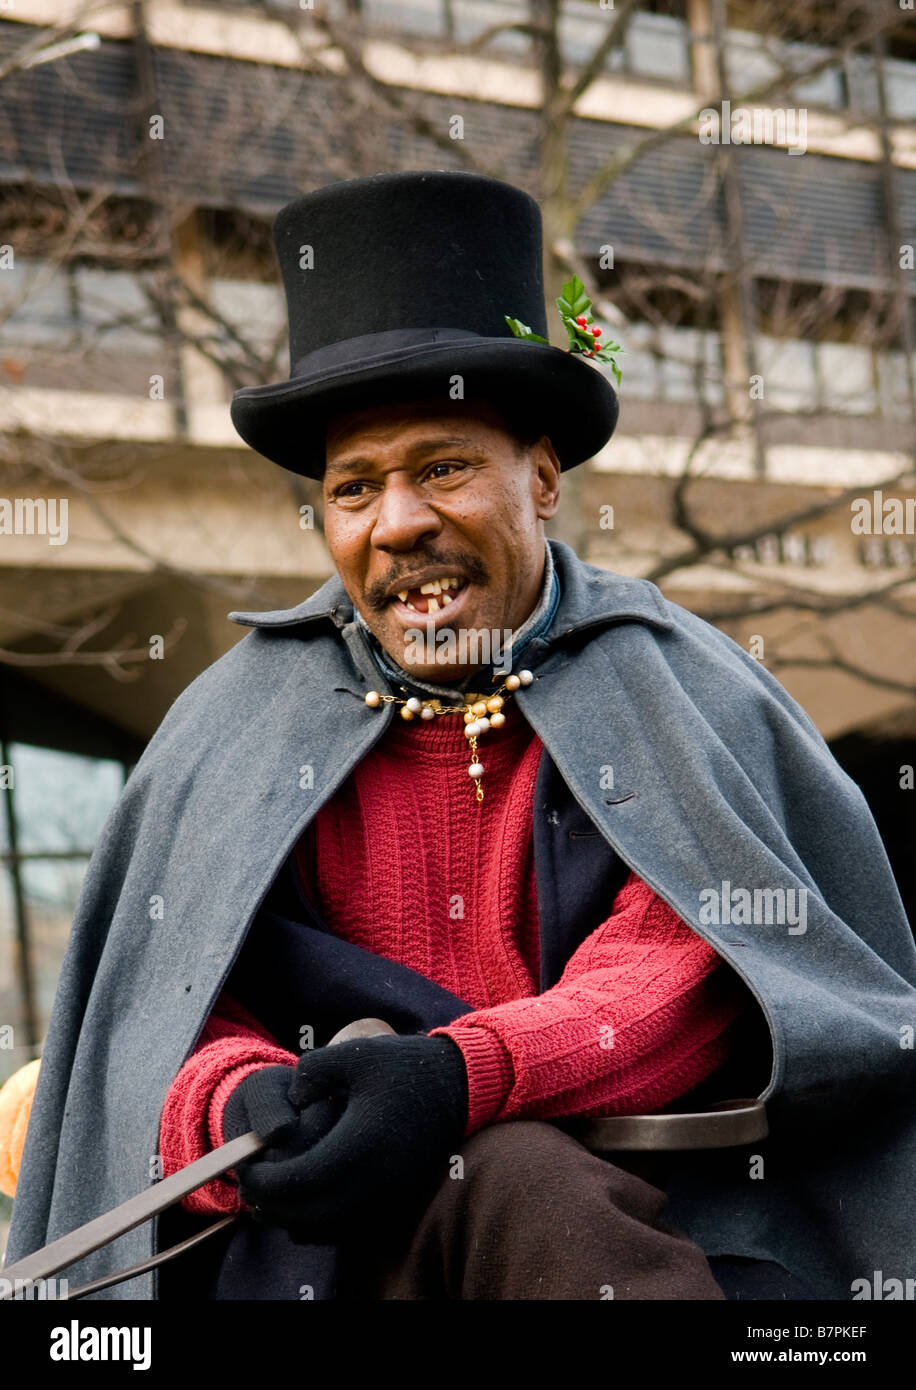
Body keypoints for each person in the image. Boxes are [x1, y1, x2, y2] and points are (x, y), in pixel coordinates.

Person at [4, 171, 915, 1302]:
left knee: (519, 1177)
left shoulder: (681, 685)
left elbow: (693, 971)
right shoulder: (227, 725)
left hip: (633, 1223)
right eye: (353, 488)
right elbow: (155, 1020)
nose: (398, 525)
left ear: (539, 478)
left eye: (441, 467)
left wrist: (454, 1079)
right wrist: (235, 1097)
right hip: (307, 1253)